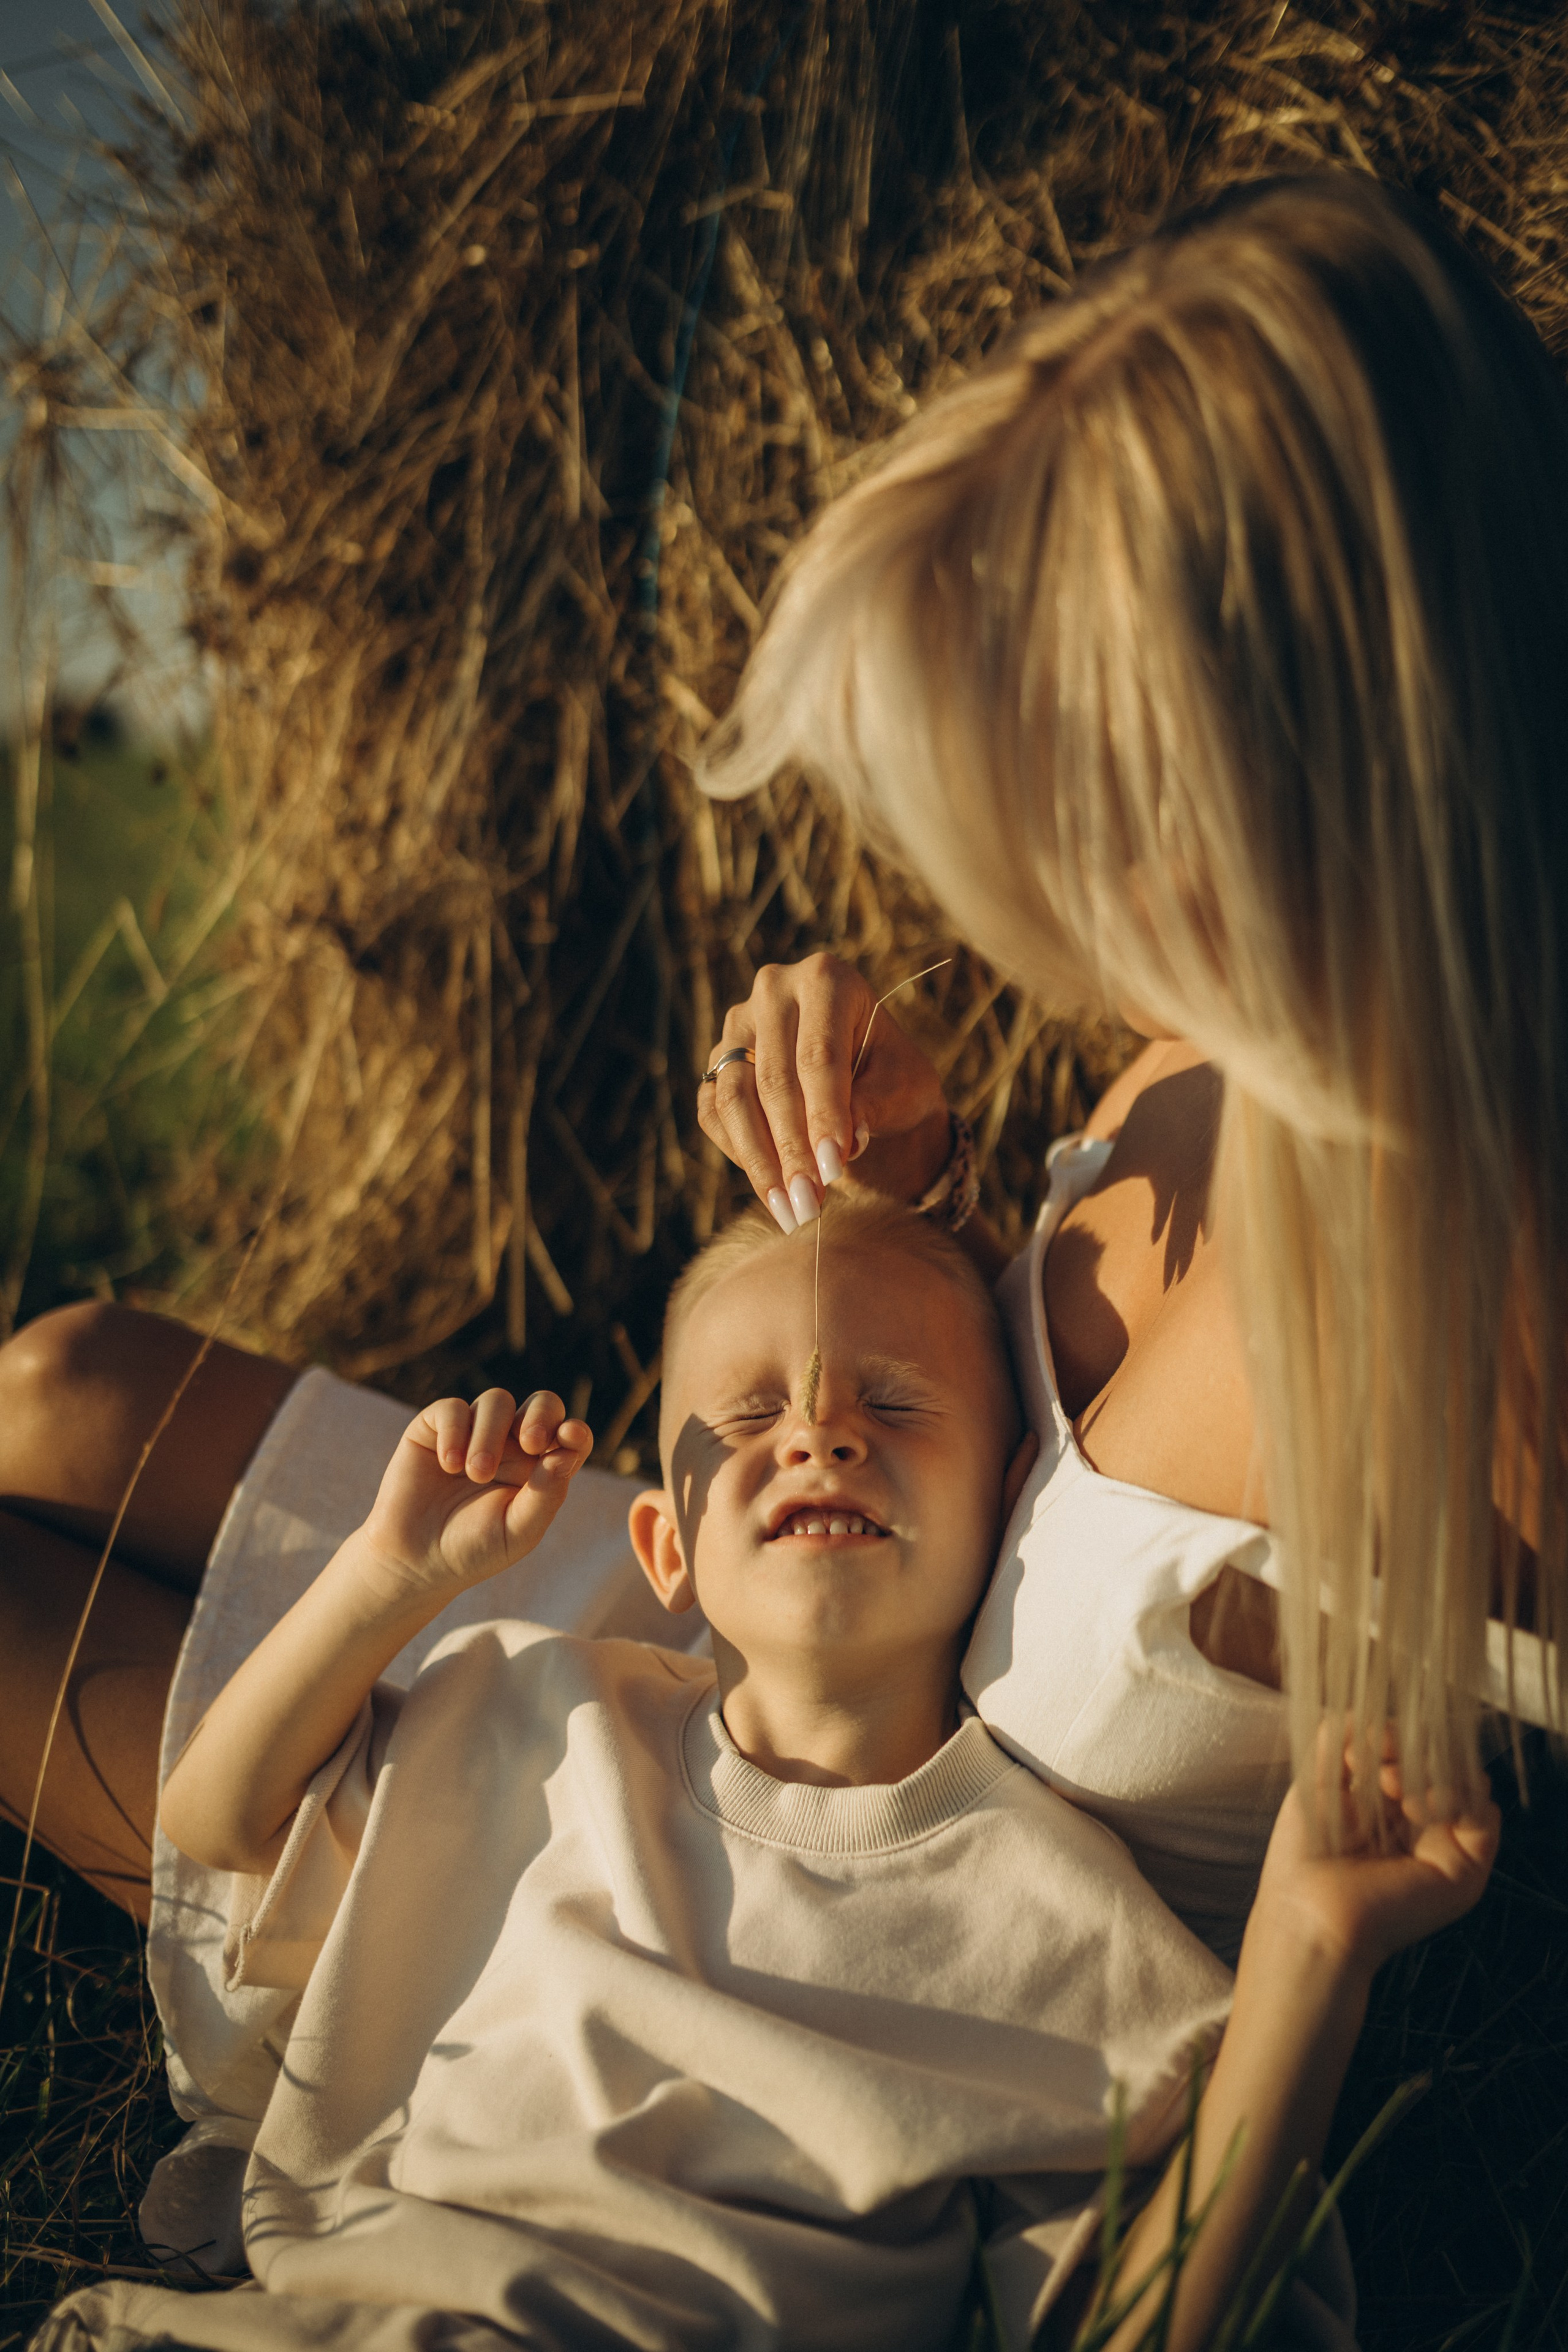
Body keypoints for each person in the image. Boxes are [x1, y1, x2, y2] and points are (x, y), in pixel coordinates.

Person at [40, 1194, 1498, 2352]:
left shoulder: (1079, 1948)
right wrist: (384, 1575)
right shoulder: (526, 1708)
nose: (817, 1427)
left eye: (896, 1403)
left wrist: (1310, 1954)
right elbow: (214, 1820)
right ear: (664, 1553)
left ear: (1007, 1522)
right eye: (746, 1421)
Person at [693, 170, 1566, 1898]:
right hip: (721, 1732)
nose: (1052, 915)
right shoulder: (1246, 1036)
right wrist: (911, 1200)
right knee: (46, 1409)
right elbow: (1040, 1512)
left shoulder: (1499, 1300)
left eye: (1090, 813)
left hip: (801, 1968)